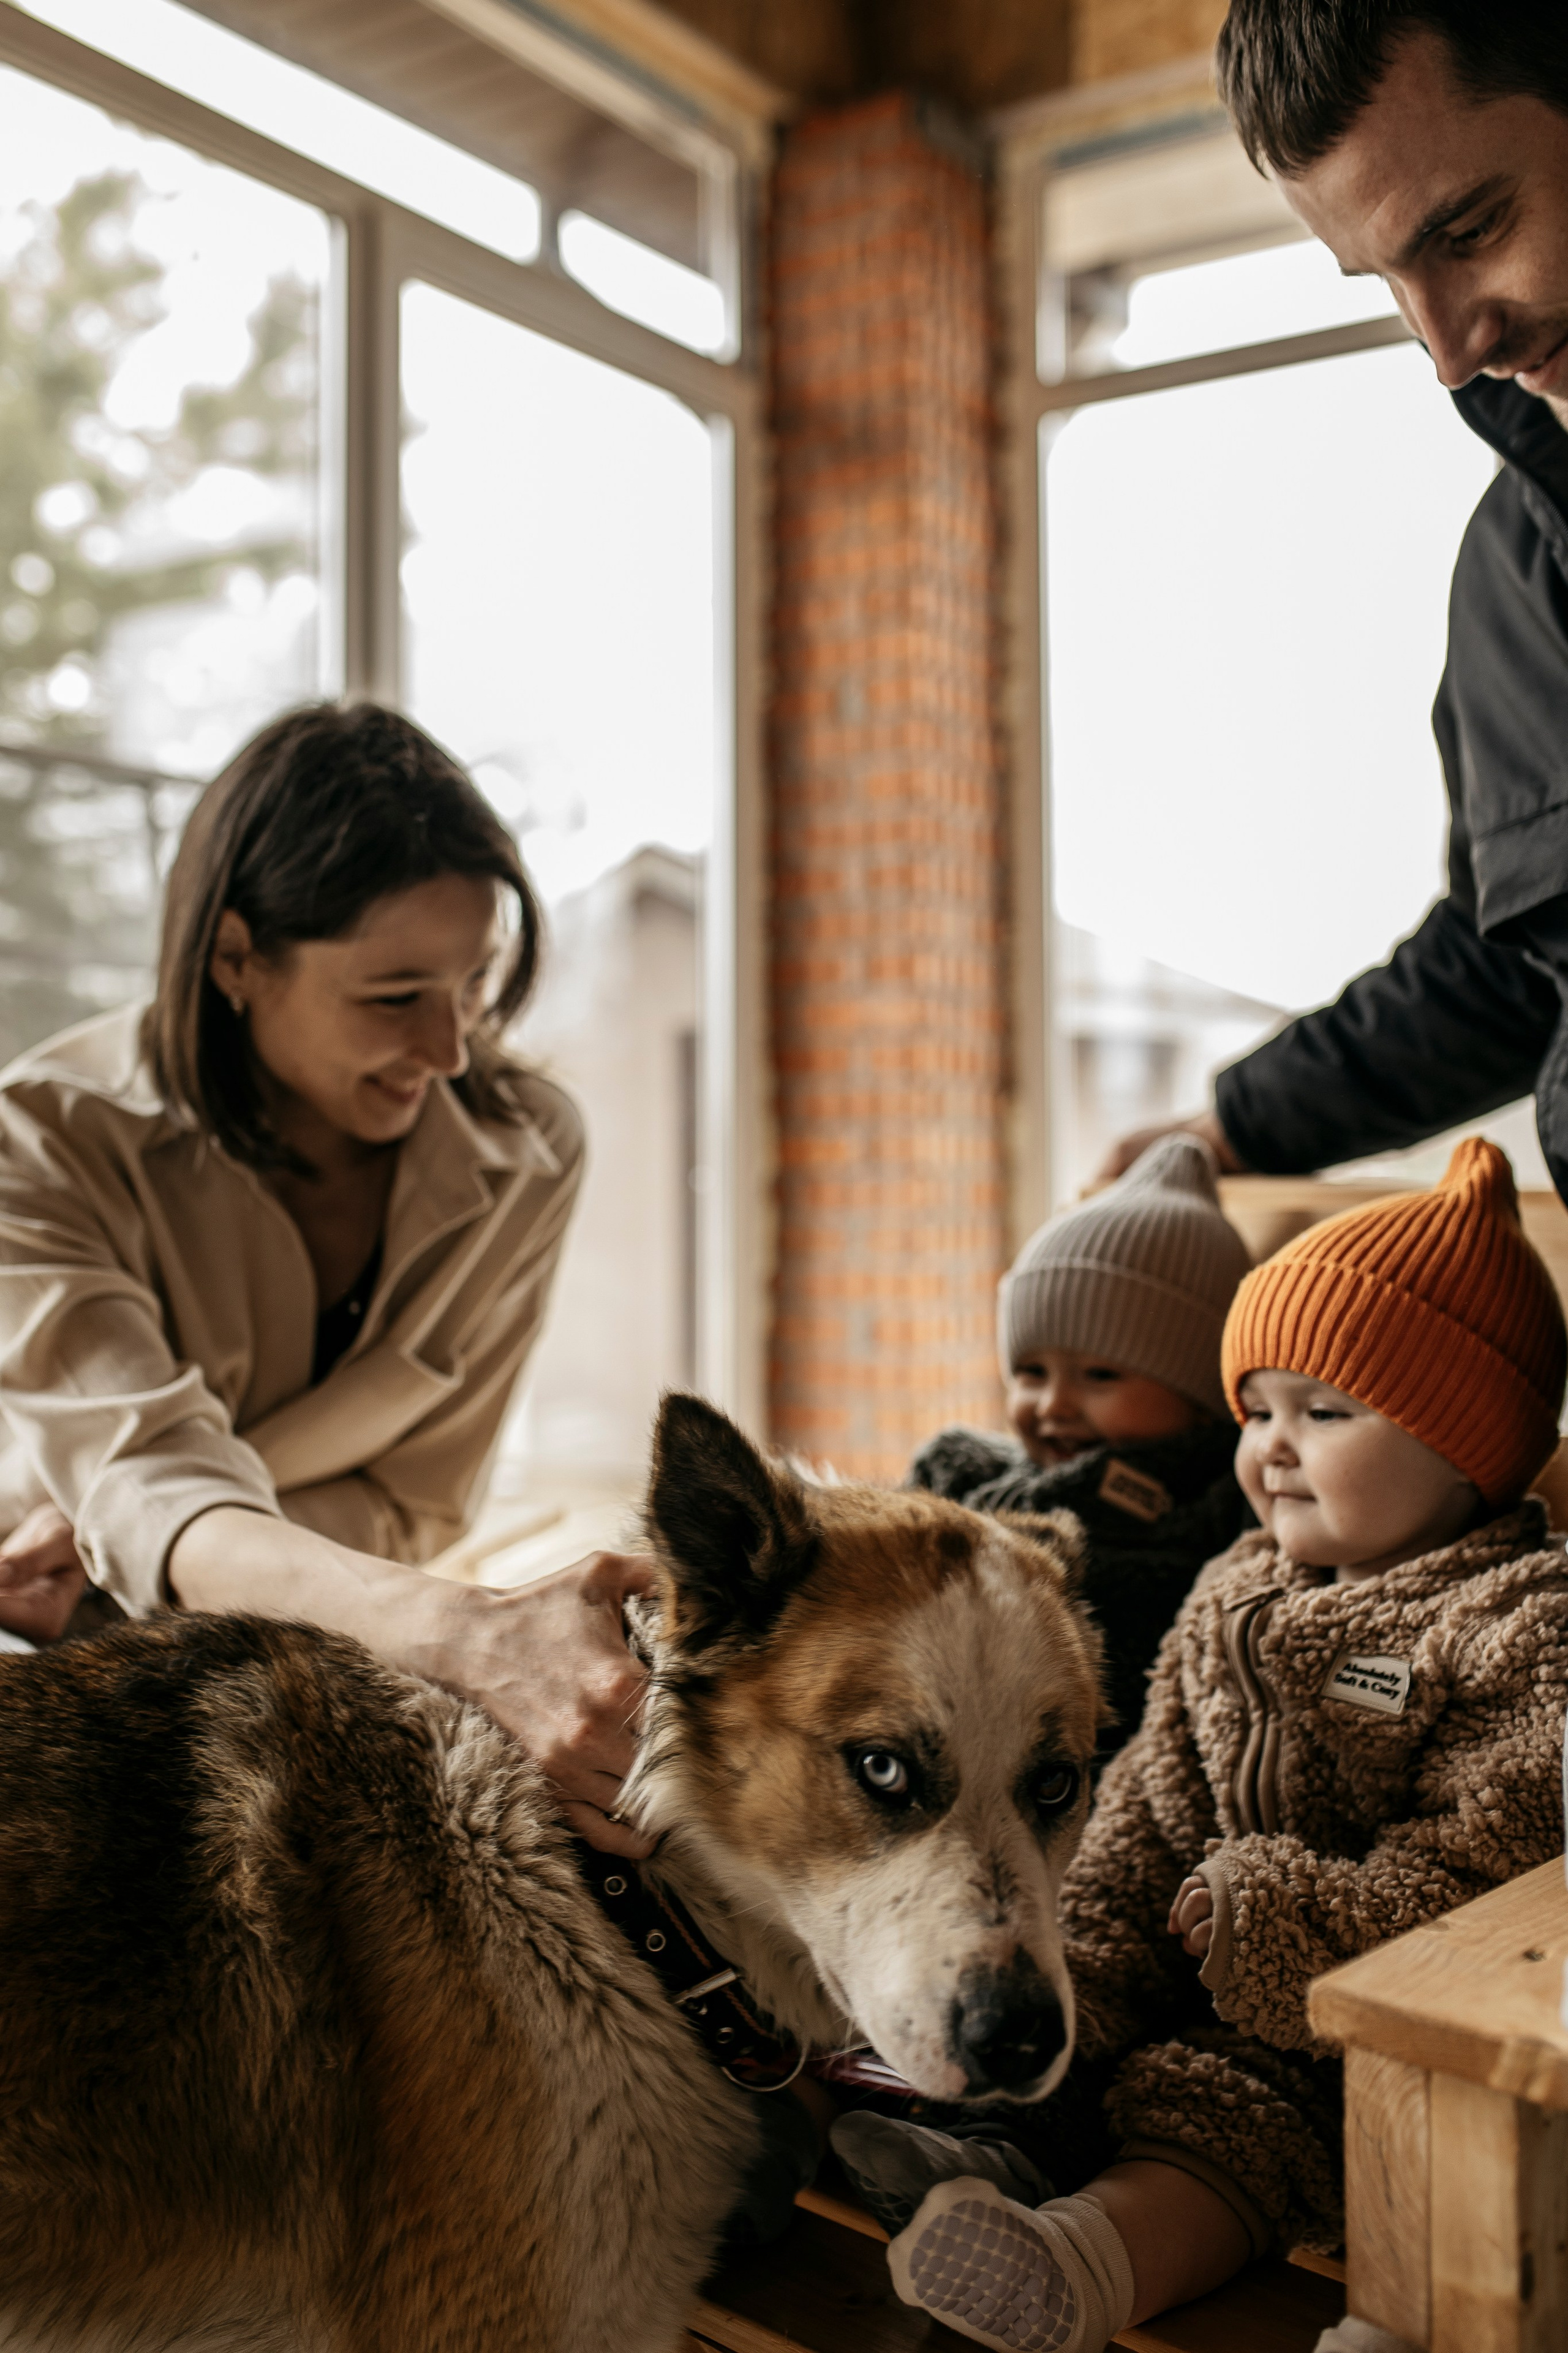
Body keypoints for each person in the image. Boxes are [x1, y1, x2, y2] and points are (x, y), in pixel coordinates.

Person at [839, 1140, 1568, 2353]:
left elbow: (1482, 1882)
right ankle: (961, 2155)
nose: (1271, 1447)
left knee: (1222, 2118)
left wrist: (1276, 1913)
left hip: (1362, 2023)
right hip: (1198, 1939)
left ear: (1469, 1447)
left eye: (1322, 1414)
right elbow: (1148, 1805)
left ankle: (1082, 2268)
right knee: (1067, 2006)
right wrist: (1086, 1939)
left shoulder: (1514, 1626)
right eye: (1254, 1410)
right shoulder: (1235, 1586)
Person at [0, 702, 652, 1858]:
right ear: (236, 958)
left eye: (476, 981)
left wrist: (128, 1554)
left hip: (232, 1624)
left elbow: (417, 1495)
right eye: (395, 997)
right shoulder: (43, 1141)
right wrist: (477, 1635)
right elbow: (148, 1474)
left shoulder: (530, 1149)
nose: (452, 1049)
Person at [1099, 0, 1568, 1206]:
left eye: (1470, 225)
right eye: (1387, 282)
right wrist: (1227, 1129)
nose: (1448, 348)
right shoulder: (1507, 577)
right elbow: (1504, 969)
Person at [909, 1135, 1253, 1763]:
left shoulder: (1223, 1507)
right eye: (1031, 1373)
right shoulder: (960, 1476)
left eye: (1100, 1376)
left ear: (1200, 1394)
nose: (1053, 1405)